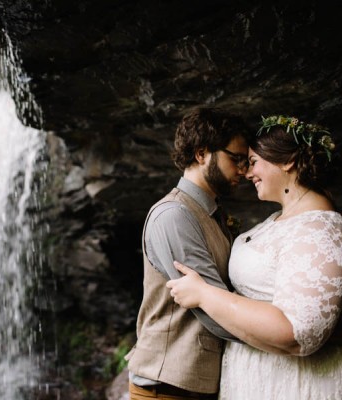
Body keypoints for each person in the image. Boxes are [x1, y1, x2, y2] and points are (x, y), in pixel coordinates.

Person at [166, 115, 342, 399]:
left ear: (287, 162)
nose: (246, 172)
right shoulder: (277, 219)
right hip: (260, 377)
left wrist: (204, 295)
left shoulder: (319, 230)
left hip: (305, 383)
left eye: (253, 162)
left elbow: (297, 333)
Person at [125, 107, 252, 399]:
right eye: (236, 159)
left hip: (192, 384)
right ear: (201, 153)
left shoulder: (209, 212)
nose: (243, 171)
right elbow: (213, 312)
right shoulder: (174, 215)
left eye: (246, 162)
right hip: (168, 385)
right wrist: (286, 332)